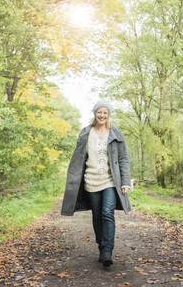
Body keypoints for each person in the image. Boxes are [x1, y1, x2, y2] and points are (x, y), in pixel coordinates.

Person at [61, 100, 132, 268]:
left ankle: (108, 250)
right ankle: (101, 247)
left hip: (110, 181)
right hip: (91, 180)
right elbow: (77, 158)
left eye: (105, 113)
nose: (102, 115)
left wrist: (125, 181)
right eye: (99, 112)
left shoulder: (115, 132)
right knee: (97, 215)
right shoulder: (86, 132)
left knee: (107, 213)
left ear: (108, 115)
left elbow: (123, 159)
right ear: (95, 114)